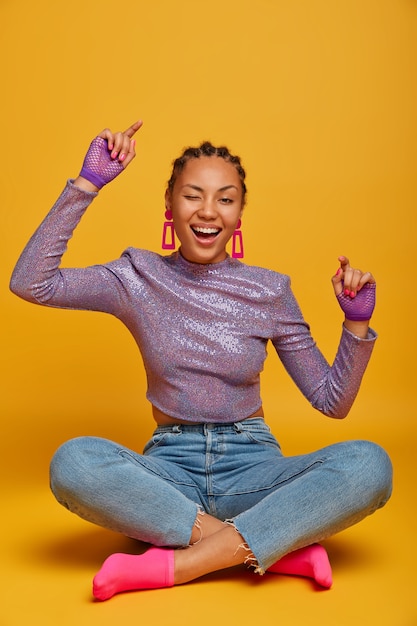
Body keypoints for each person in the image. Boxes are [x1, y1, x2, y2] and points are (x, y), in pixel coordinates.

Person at [10, 120, 392, 601]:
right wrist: (87, 185)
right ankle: (272, 548)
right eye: (193, 195)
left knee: (369, 466)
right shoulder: (136, 276)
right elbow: (31, 283)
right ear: (170, 204)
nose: (208, 211)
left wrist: (355, 326)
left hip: (255, 470)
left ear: (238, 215)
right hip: (169, 476)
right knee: (74, 463)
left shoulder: (268, 290)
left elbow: (330, 402)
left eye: (225, 198)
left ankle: (183, 564)